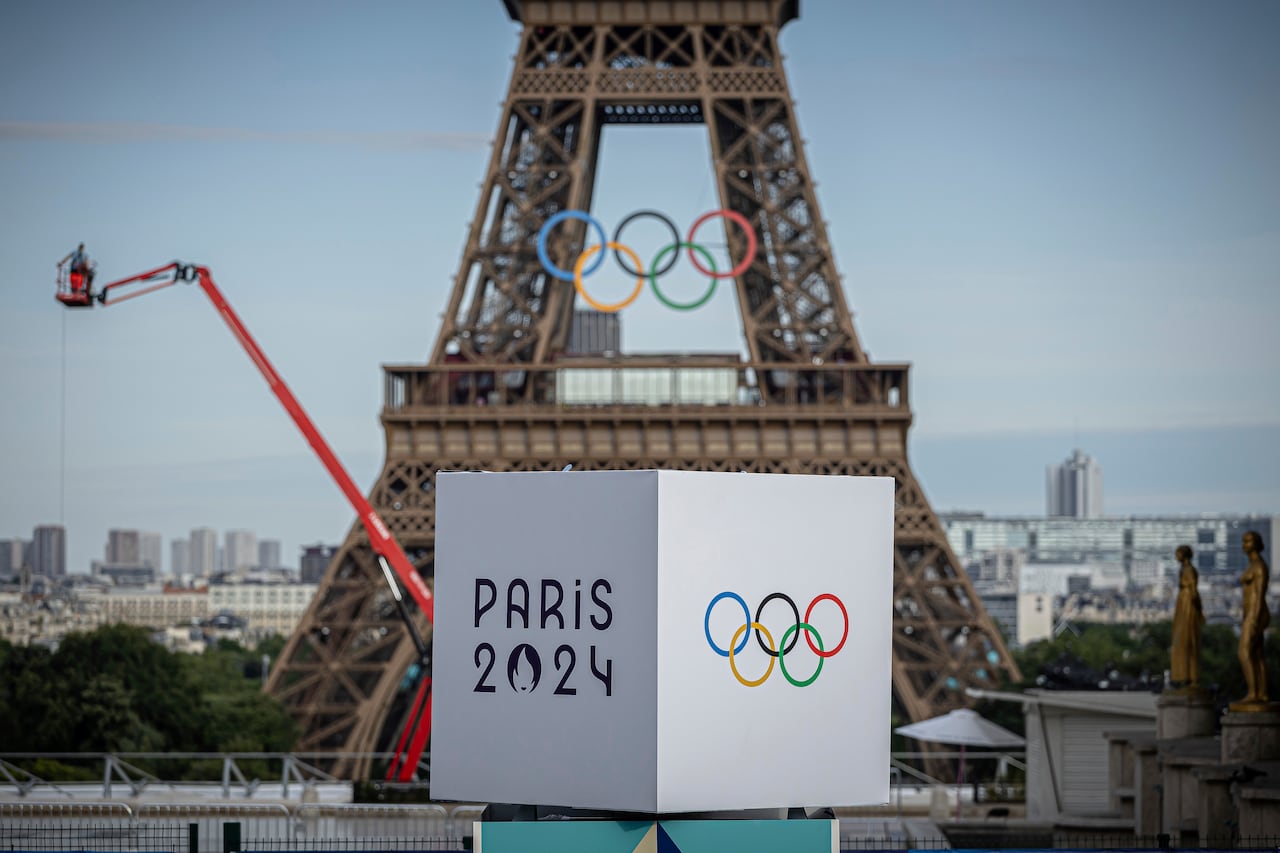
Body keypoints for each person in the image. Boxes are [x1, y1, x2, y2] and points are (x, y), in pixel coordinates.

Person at [1231, 531, 1271, 710]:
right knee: (1257, 654)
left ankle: (1253, 693)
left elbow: (1260, 594)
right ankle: (1261, 693)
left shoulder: (1258, 566)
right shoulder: (1255, 565)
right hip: (1252, 613)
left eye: (1247, 541)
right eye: (1243, 541)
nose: (1244, 545)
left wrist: (1254, 618)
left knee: (1244, 652)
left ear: (1255, 543)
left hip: (1255, 614)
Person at [1169, 544, 1204, 688]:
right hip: (1184, 603)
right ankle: (1184, 675)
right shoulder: (1184, 569)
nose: (1176, 556)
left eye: (1178, 553)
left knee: (1187, 639)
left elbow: (1194, 591)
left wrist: (1199, 611)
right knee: (1183, 640)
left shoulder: (1189, 570)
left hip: (1187, 605)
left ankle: (1189, 675)